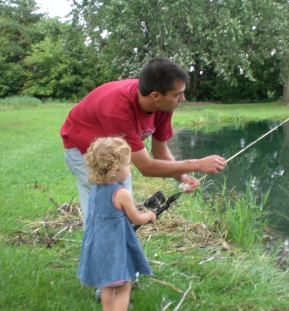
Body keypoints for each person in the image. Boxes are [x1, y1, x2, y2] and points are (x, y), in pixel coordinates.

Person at [60, 56, 227, 226]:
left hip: (114, 151)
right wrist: (197, 164)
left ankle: (120, 246)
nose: (182, 99)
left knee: (123, 207)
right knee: (101, 214)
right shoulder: (117, 109)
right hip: (84, 149)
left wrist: (182, 177)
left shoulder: (164, 105)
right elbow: (146, 167)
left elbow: (159, 151)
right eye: (178, 94)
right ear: (155, 96)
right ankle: (98, 248)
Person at [77, 137, 156, 311]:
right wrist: (150, 215)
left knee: (107, 285)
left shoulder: (95, 189)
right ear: (114, 169)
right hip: (114, 250)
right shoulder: (121, 193)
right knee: (124, 286)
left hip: (98, 247)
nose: (130, 169)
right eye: (127, 165)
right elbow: (136, 218)